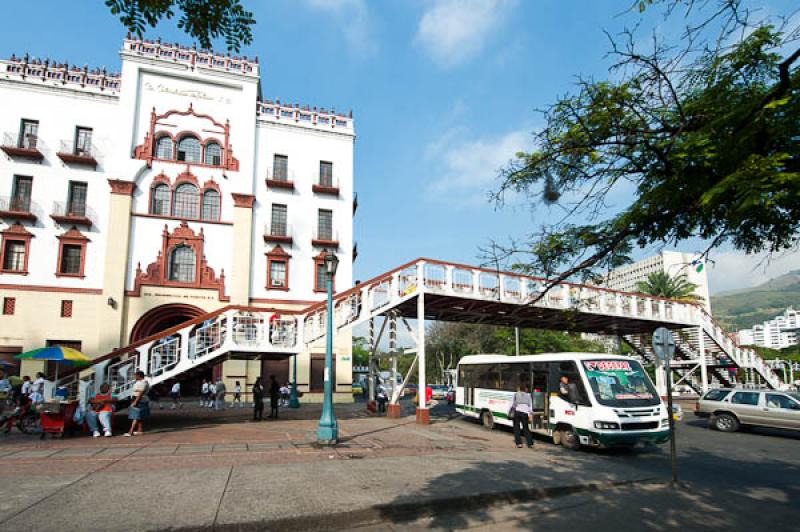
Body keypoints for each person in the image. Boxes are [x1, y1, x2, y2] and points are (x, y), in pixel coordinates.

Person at [125, 371, 150, 437]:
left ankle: (131, 431)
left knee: (135, 416)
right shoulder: (139, 382)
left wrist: (136, 401)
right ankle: (140, 430)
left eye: (135, 375)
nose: (134, 377)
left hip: (139, 400)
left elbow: (141, 393)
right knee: (139, 416)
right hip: (137, 399)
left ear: (139, 376)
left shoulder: (143, 382)